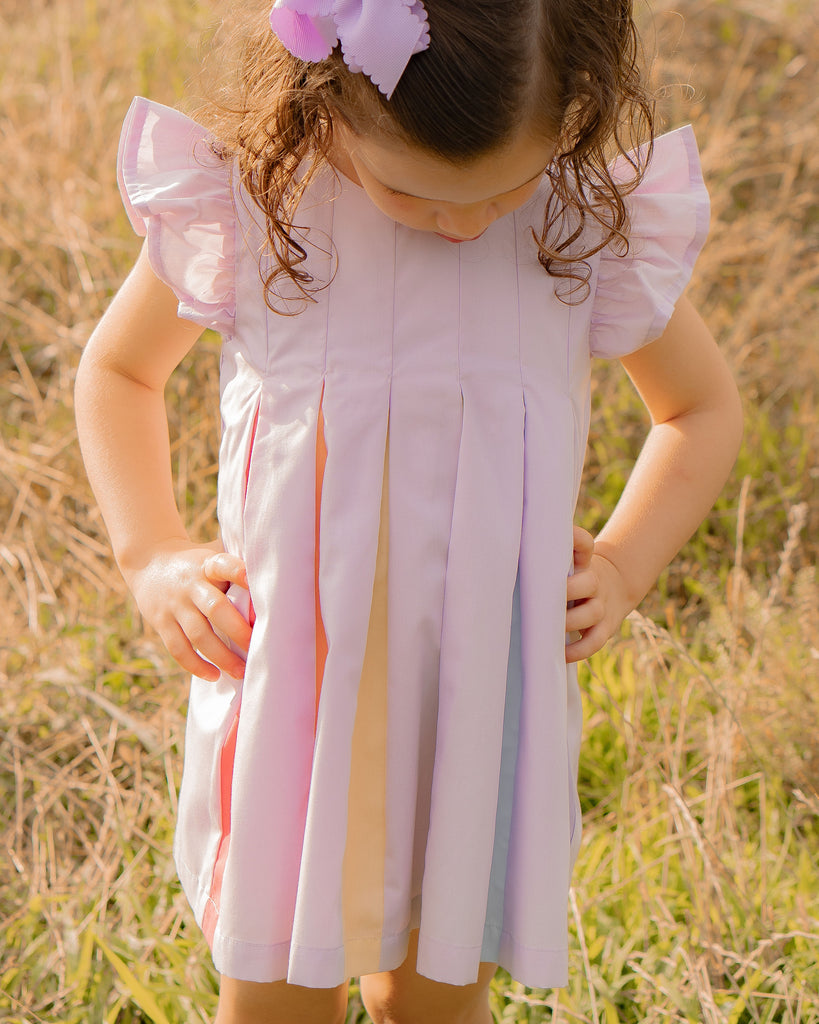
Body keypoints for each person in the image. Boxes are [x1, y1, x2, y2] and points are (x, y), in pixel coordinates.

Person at [75, 0, 743, 1021]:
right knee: (276, 998)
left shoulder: (573, 220)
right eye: (410, 190)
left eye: (500, 188)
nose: (465, 222)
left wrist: (622, 561)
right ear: (321, 99)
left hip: (474, 702)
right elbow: (120, 371)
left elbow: (698, 408)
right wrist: (151, 553)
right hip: (299, 689)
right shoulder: (262, 202)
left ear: (572, 110)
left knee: (436, 996)